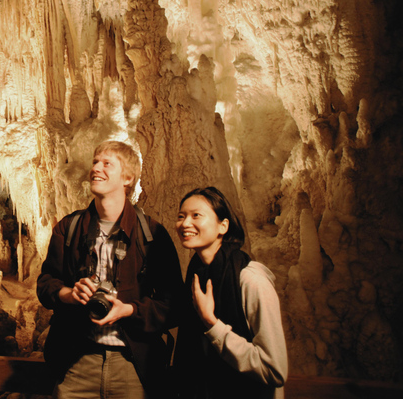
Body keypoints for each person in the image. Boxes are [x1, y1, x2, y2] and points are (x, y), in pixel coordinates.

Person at [37, 140, 183, 399]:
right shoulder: (68, 228)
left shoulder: (152, 235)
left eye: (107, 164)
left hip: (132, 363)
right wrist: (69, 294)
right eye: (95, 162)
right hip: (77, 361)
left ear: (127, 178)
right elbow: (46, 283)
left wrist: (128, 310)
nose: (96, 168)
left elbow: (173, 305)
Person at [172, 187, 287, 399]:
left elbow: (274, 371)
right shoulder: (197, 276)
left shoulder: (251, 281)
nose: (185, 224)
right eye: (181, 216)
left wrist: (212, 324)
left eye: (196, 215)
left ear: (223, 226)